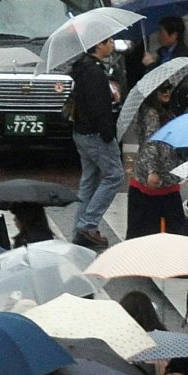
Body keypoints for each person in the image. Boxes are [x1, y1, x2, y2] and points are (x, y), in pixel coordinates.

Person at [67, 45, 122, 246]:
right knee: (114, 175)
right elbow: (98, 106)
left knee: (89, 180)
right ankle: (87, 225)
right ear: (100, 44)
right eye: (110, 40)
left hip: (81, 131)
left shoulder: (81, 67)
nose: (113, 44)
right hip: (95, 133)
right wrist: (108, 134)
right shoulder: (94, 72)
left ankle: (79, 230)